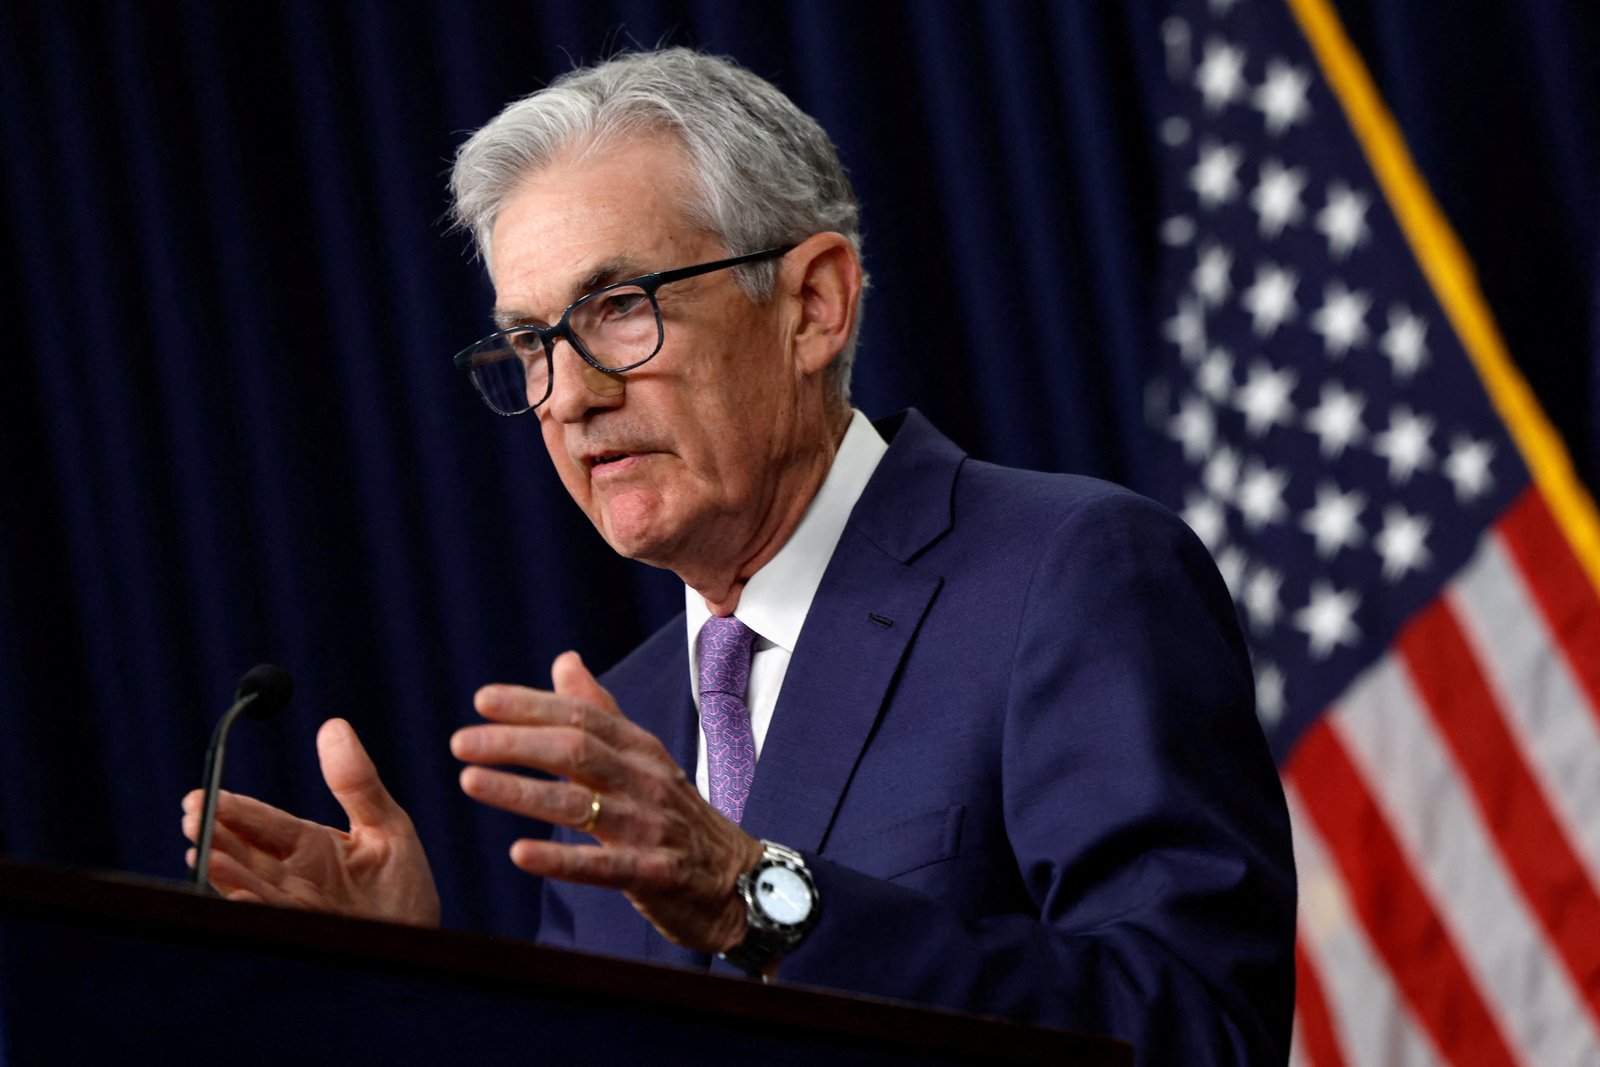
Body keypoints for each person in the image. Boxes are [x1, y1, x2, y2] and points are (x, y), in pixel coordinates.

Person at [181, 48, 1294, 1063]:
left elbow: (1196, 1026)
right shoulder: (628, 718)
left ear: (813, 303)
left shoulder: (1069, 575)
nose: (568, 395)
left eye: (618, 306)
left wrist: (759, 899)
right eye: (531, 342)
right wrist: (405, 991)